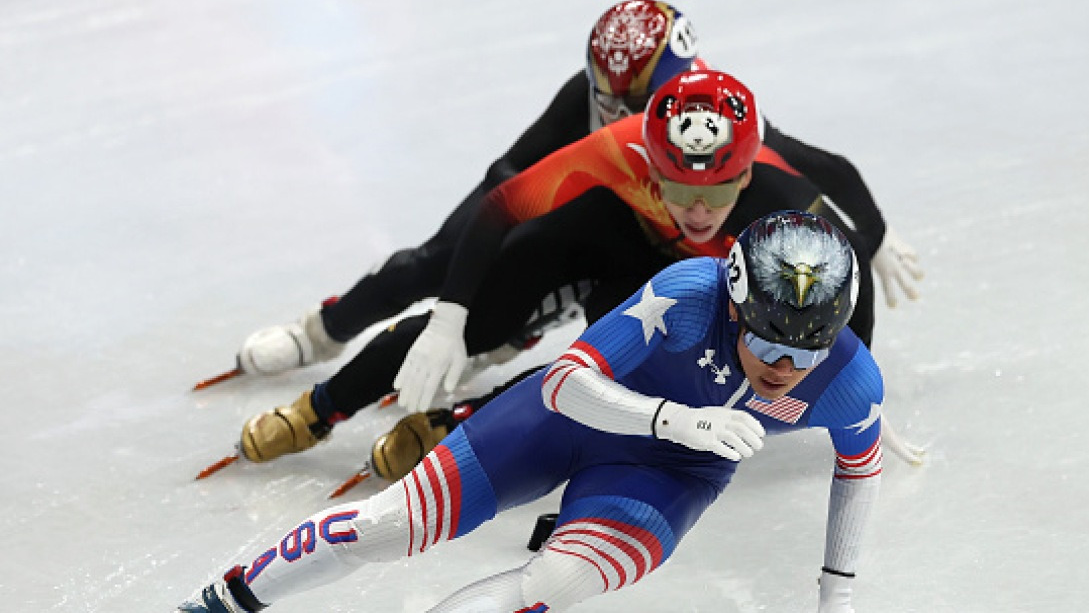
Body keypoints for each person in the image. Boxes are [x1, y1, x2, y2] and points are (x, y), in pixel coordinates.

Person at [177, 210, 884, 613]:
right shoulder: (689, 292)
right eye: (765, 339)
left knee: (552, 585)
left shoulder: (852, 380)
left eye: (809, 349)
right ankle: (225, 601)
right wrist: (674, 420)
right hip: (571, 419)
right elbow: (564, 382)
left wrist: (837, 595)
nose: (784, 367)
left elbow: (858, 470)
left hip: (667, 482)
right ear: (733, 306)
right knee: (385, 527)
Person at [232, 68, 909, 478]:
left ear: (748, 169)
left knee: (625, 371)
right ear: (649, 157)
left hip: (683, 282)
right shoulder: (620, 146)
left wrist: (855, 382)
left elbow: (846, 261)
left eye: (718, 192)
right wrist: (451, 315)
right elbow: (500, 207)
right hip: (606, 234)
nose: (699, 211)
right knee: (497, 294)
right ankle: (317, 408)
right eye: (678, 187)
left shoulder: (780, 191)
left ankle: (463, 419)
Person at [227, 0, 920, 382]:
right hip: (585, 180)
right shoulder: (590, 107)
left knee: (593, 271)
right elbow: (509, 177)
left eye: (636, 101)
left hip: (639, 214)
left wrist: (874, 237)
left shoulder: (705, 117)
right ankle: (320, 332)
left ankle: (501, 342)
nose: (620, 114)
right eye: (605, 98)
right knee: (438, 260)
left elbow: (815, 166)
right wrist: (464, 269)